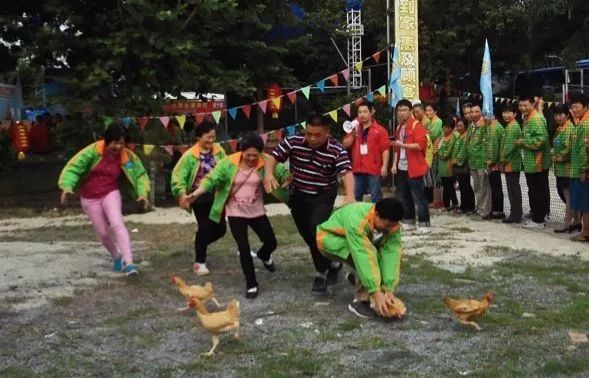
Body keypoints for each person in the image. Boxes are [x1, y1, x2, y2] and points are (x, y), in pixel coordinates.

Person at [186, 132, 290, 298]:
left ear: (260, 153)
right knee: (244, 247)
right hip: (235, 212)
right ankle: (251, 284)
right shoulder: (228, 163)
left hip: (256, 211)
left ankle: (264, 254)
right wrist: (196, 193)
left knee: (271, 241)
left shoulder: (265, 161)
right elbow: (211, 179)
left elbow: (282, 171)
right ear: (241, 151)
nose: (251, 158)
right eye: (247, 155)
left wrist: (287, 179)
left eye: (254, 155)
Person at [264, 114, 355, 294]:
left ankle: (321, 273)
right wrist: (269, 174)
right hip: (298, 195)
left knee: (315, 231)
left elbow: (346, 173)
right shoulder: (294, 141)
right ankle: (333, 263)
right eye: (308, 134)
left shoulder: (336, 149)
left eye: (317, 135)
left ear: (327, 133)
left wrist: (350, 195)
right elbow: (273, 157)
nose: (312, 138)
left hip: (322, 195)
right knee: (307, 235)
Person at [58, 124, 149, 276]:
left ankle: (129, 263)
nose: (119, 146)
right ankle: (117, 256)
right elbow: (73, 168)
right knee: (103, 233)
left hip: (110, 193)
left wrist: (142, 193)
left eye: (122, 143)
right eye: (116, 142)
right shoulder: (91, 152)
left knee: (117, 223)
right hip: (89, 197)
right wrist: (67, 186)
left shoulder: (128, 157)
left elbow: (140, 175)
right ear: (107, 140)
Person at [316, 198, 404, 318]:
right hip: (328, 239)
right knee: (369, 256)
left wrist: (389, 289)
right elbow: (363, 255)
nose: (389, 228)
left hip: (352, 241)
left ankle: (359, 278)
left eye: (393, 225)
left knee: (375, 258)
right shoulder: (357, 219)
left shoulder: (392, 225)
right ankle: (360, 301)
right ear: (377, 214)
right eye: (387, 225)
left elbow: (391, 255)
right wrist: (376, 292)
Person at [171, 121, 227, 275]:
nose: (211, 140)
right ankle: (199, 262)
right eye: (208, 137)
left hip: (217, 195)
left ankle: (199, 241)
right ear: (198, 137)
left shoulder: (220, 151)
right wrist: (182, 193)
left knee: (221, 229)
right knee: (205, 226)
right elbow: (178, 176)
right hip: (198, 196)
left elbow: (228, 168)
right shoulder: (189, 156)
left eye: (213, 137)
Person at [391, 99, 431, 233]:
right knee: (405, 196)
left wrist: (403, 145)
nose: (401, 113)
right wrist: (394, 164)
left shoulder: (416, 126)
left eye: (404, 110)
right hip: (402, 166)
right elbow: (396, 148)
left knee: (419, 197)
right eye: (399, 110)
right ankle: (409, 221)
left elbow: (420, 145)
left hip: (414, 167)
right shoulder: (398, 127)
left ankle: (424, 224)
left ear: (410, 111)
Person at [342, 100, 390, 203]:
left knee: (375, 199)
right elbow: (345, 144)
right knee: (355, 198)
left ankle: (375, 218)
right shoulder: (353, 128)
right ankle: (357, 219)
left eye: (365, 112)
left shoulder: (380, 130)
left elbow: (385, 149)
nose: (362, 115)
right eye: (360, 112)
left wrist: (384, 166)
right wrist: (352, 135)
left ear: (371, 112)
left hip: (374, 170)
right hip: (357, 169)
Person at [516, 95, 551, 229]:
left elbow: (540, 141)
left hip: (538, 163)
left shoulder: (536, 119)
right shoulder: (528, 118)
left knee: (538, 191)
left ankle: (539, 220)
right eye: (520, 105)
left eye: (525, 105)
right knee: (534, 190)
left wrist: (522, 142)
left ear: (532, 105)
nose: (522, 108)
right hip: (531, 162)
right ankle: (537, 215)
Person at [551, 104, 581, 233]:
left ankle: (567, 223)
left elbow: (569, 149)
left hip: (568, 170)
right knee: (566, 196)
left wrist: (558, 157)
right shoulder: (561, 128)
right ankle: (577, 221)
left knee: (569, 197)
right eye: (556, 115)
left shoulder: (569, 129)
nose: (558, 117)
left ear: (567, 115)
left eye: (560, 114)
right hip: (560, 170)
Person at [568, 94, 589, 242]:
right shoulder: (580, 122)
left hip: (583, 172)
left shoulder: (585, 124)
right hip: (578, 169)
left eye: (577, 107)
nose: (574, 110)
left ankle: (586, 233)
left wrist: (583, 170)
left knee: (585, 204)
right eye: (572, 107)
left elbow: (584, 150)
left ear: (586, 107)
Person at [500, 103, 524, 224]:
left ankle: (515, 214)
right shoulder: (510, 126)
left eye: (509, 112)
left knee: (513, 189)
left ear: (515, 114)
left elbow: (509, 147)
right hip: (511, 162)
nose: (506, 115)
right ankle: (515, 213)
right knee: (512, 188)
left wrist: (502, 159)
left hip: (511, 163)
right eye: (504, 112)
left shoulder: (513, 127)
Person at [467, 103, 491, 216]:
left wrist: (487, 161)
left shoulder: (485, 125)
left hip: (482, 162)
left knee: (484, 187)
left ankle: (485, 210)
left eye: (477, 111)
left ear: (481, 112)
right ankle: (479, 207)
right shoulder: (470, 125)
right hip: (472, 162)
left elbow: (487, 144)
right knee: (477, 187)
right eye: (472, 112)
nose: (474, 114)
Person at [451, 117, 476, 214]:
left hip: (463, 164)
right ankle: (463, 206)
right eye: (457, 126)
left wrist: (457, 160)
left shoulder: (466, 137)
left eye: (461, 126)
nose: (459, 127)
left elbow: (464, 150)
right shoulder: (459, 136)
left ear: (465, 127)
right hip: (457, 163)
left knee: (466, 186)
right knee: (461, 185)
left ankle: (470, 207)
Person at [485, 116, 505, 220]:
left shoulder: (495, 128)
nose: (485, 117)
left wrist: (491, 161)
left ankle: (498, 211)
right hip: (492, 162)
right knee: (494, 187)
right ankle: (495, 209)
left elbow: (494, 147)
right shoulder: (491, 126)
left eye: (487, 115)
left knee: (496, 188)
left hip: (494, 163)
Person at [424, 102, 444, 209]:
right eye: (426, 110)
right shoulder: (430, 121)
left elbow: (433, 135)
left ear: (435, 111)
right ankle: (432, 200)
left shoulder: (438, 121)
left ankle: (436, 200)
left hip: (434, 153)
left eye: (430, 110)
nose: (427, 112)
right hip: (429, 152)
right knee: (429, 176)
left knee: (434, 177)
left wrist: (426, 133)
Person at [436, 117, 458, 210]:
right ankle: (453, 203)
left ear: (452, 128)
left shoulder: (453, 138)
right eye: (444, 127)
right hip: (441, 164)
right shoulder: (442, 136)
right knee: (446, 184)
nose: (446, 129)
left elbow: (447, 153)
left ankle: (448, 204)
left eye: (448, 127)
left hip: (448, 164)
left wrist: (438, 153)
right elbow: (436, 145)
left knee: (448, 185)